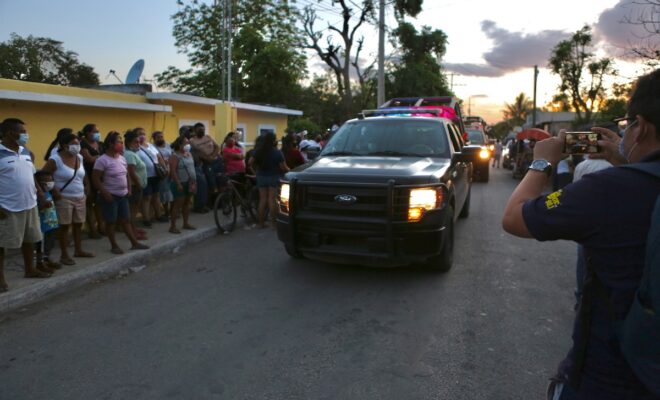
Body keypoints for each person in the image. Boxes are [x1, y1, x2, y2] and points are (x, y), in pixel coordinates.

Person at [502, 68, 660, 399]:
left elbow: (515, 218)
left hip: (610, 381)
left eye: (627, 125)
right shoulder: (621, 180)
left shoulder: (606, 188)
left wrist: (541, 164)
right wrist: (624, 160)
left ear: (641, 126)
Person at [0, 118, 50, 292]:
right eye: (21, 131)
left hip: (30, 204)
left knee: (30, 239)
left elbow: (32, 176)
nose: (25, 135)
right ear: (9, 133)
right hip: (7, 207)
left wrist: (41, 195)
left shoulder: (26, 151)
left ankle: (30, 269)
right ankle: (1, 279)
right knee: (2, 244)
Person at [41, 129, 94, 265]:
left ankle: (78, 250)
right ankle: (64, 255)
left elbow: (83, 174)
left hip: (80, 196)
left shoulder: (79, 158)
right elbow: (43, 176)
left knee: (78, 224)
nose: (77, 146)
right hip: (63, 197)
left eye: (78, 144)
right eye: (74, 144)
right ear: (64, 145)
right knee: (64, 227)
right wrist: (54, 190)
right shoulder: (56, 159)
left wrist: (87, 185)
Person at [93, 132, 149, 254]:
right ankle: (114, 245)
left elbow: (127, 175)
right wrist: (105, 193)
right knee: (111, 221)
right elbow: (96, 179)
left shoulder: (122, 158)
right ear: (110, 144)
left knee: (126, 220)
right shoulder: (102, 160)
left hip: (123, 195)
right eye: (118, 142)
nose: (121, 144)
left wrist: (129, 189)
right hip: (110, 196)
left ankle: (134, 243)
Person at [249, 132, 289, 228]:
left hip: (261, 176)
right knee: (272, 200)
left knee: (262, 200)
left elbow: (250, 162)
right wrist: (289, 170)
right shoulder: (277, 152)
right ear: (273, 141)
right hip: (273, 176)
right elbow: (283, 168)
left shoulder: (258, 151)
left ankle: (260, 223)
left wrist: (255, 172)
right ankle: (273, 224)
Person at [134, 127, 167, 226]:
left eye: (143, 133)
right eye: (139, 133)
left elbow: (159, 157)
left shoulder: (150, 145)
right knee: (146, 197)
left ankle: (158, 215)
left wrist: (164, 168)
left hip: (156, 175)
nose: (142, 135)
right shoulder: (135, 148)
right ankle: (146, 219)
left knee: (156, 196)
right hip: (145, 177)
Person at [79, 123, 104, 238]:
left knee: (99, 204)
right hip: (88, 176)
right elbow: (89, 159)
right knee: (89, 204)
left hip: (101, 176)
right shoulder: (83, 144)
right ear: (87, 133)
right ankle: (92, 230)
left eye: (98, 131)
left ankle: (101, 227)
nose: (97, 134)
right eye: (95, 131)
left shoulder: (99, 144)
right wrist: (101, 158)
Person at [123, 131, 149, 241]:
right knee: (132, 211)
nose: (138, 144)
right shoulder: (129, 154)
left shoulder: (134, 154)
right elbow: (131, 173)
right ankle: (132, 231)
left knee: (134, 210)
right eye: (135, 142)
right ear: (129, 143)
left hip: (137, 186)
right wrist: (139, 185)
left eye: (139, 142)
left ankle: (133, 228)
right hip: (134, 187)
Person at [190, 123, 221, 212]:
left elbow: (217, 147)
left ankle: (214, 203)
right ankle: (203, 205)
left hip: (214, 161)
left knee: (215, 182)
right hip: (203, 163)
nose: (202, 131)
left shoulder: (208, 137)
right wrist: (208, 159)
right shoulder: (192, 141)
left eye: (203, 129)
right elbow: (197, 153)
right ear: (195, 130)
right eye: (200, 130)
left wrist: (212, 156)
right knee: (206, 184)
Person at [34, 170, 61, 274]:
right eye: (45, 181)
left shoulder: (49, 192)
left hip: (51, 223)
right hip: (41, 226)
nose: (48, 183)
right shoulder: (37, 195)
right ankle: (40, 263)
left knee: (50, 243)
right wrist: (42, 205)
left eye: (50, 180)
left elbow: (58, 198)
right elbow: (37, 209)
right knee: (40, 245)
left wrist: (55, 190)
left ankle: (47, 258)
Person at [168, 137, 197, 234]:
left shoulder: (189, 154)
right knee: (178, 204)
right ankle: (172, 226)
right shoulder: (174, 156)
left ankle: (185, 223)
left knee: (186, 203)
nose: (188, 145)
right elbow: (173, 171)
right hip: (180, 183)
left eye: (188, 143)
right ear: (179, 144)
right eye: (185, 143)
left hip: (190, 183)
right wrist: (178, 183)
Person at [153, 131, 173, 220]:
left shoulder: (167, 145)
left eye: (161, 136)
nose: (161, 138)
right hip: (162, 172)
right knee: (164, 192)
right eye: (158, 137)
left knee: (171, 191)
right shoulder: (152, 148)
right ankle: (166, 212)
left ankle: (172, 211)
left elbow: (172, 155)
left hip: (171, 170)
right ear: (154, 139)